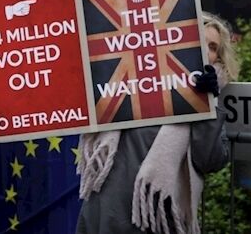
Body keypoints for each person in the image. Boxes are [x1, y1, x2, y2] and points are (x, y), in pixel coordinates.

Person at [76, 12, 240, 234]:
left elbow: (210, 160)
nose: (204, 50)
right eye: (197, 40)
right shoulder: (129, 80)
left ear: (218, 59)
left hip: (161, 222)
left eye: (212, 47)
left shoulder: (211, 100)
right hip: (107, 215)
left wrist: (207, 105)